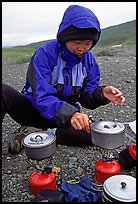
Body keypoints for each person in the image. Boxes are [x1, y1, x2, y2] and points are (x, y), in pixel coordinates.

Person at [2, 5, 125, 154]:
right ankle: (37, 130)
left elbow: (87, 98)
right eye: (77, 43)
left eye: (88, 43)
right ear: (65, 37)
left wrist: (101, 94)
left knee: (96, 134)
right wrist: (70, 114)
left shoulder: (89, 61)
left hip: (62, 120)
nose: (82, 49)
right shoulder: (45, 54)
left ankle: (38, 134)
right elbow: (42, 95)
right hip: (33, 111)